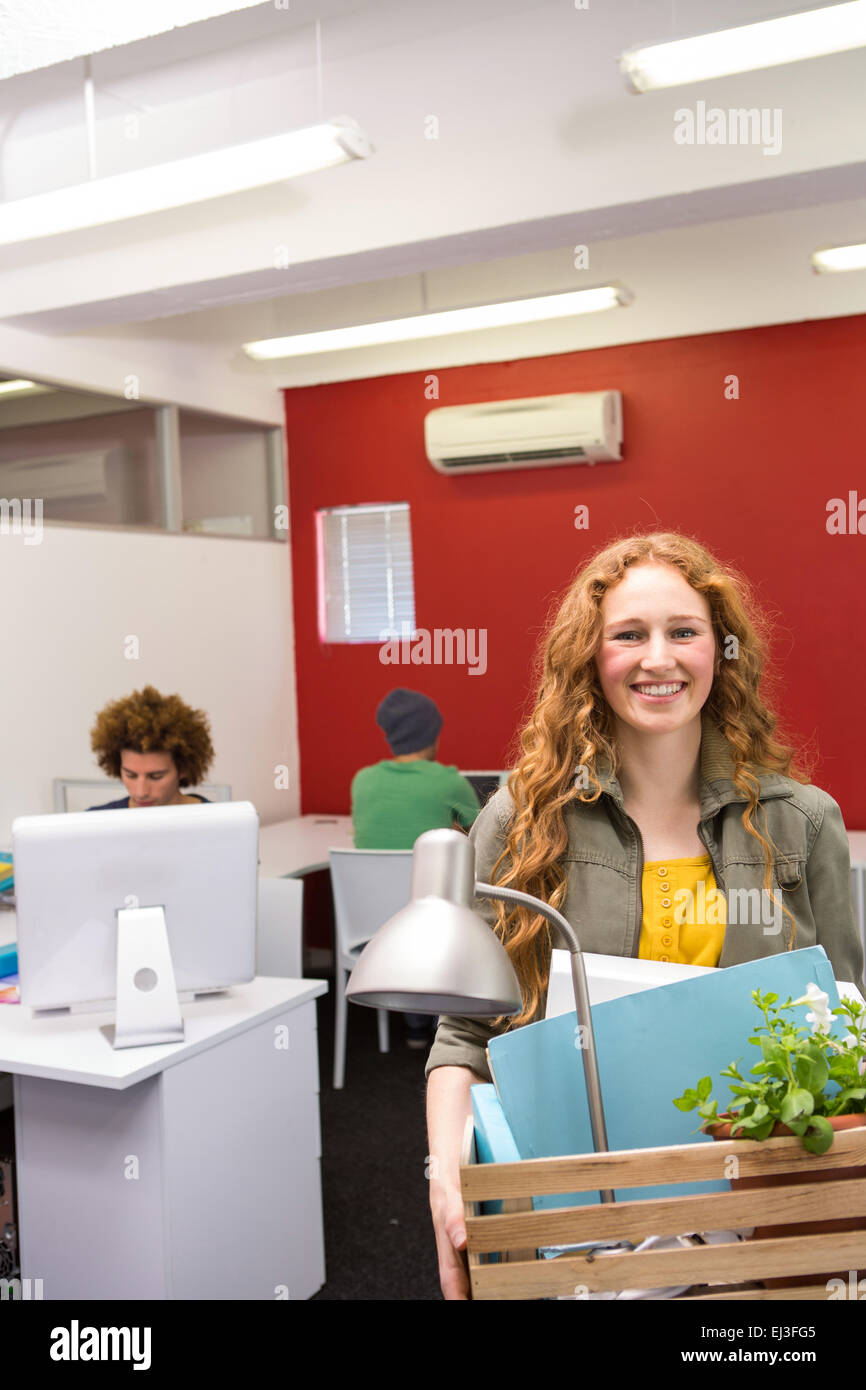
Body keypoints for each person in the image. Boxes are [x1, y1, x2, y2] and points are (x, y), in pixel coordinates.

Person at [424, 531, 864, 1300]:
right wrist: (446, 1184)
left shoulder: (806, 824)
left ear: (720, 651)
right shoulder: (520, 825)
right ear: (591, 659)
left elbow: (849, 1035)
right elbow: (462, 1039)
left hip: (758, 1219)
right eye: (629, 635)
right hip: (580, 1222)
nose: (657, 658)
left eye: (683, 632)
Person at [352, 688, 481, 1046]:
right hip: (429, 928)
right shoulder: (448, 782)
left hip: (372, 928)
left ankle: (411, 1023)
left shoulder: (362, 780)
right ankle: (441, 1026)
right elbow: (486, 833)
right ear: (432, 732)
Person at [87, 685, 215, 810]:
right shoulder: (93, 823)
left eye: (156, 777)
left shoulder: (219, 822)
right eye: (130, 775)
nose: (141, 792)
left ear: (184, 769)